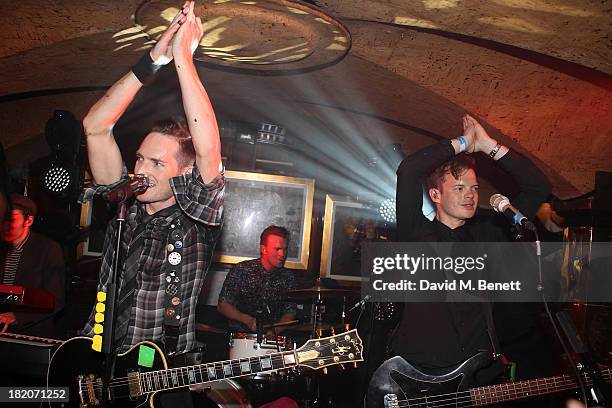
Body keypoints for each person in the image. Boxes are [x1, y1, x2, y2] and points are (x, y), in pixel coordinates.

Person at [80, 2, 223, 406]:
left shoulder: (198, 219)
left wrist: (183, 61)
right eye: (140, 157)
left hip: (160, 380)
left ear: (182, 174)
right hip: (93, 365)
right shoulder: (125, 203)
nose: (141, 167)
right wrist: (153, 60)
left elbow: (208, 150)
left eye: (156, 163)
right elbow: (95, 126)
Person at [391, 114, 552, 384]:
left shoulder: (487, 235)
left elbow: (539, 187)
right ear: (435, 195)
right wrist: (464, 142)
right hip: (420, 375)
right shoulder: (416, 233)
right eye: (460, 187)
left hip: (479, 375)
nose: (470, 194)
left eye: (474, 187)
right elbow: (408, 170)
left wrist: (489, 146)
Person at [0, 194, 65, 338]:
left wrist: (16, 316)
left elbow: (55, 299)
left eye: (10, 218)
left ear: (28, 220)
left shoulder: (48, 249)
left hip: (30, 335)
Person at [217, 225, 298, 334]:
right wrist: (247, 320)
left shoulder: (288, 277)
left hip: (273, 341)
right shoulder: (242, 270)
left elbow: (290, 311)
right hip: (240, 338)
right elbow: (223, 305)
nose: (282, 254)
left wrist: (275, 330)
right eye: (277, 249)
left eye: (285, 249)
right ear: (263, 249)